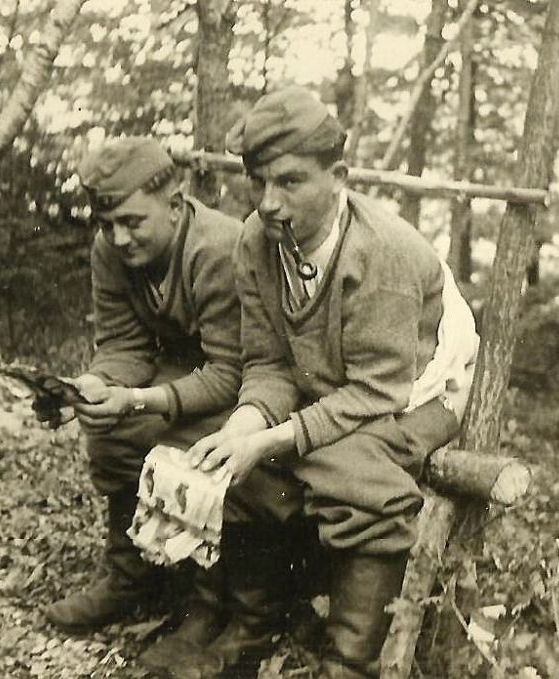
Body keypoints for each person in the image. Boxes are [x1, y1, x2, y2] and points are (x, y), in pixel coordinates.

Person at [180, 85, 479, 678]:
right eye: (258, 182)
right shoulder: (256, 242)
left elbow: (377, 392)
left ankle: (350, 661)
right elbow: (268, 363)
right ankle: (252, 627)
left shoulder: (383, 253)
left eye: (290, 182)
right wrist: (243, 429)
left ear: (338, 177)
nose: (270, 202)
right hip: (334, 378)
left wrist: (272, 439)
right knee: (230, 457)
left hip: (418, 392)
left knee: (353, 472)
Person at [43, 137, 303, 673]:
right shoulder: (111, 251)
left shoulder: (219, 249)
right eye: (107, 224)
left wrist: (140, 400)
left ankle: (219, 608)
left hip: (250, 380)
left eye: (132, 222)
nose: (119, 237)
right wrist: (93, 386)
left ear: (175, 203)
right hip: (182, 370)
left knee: (205, 454)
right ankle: (132, 576)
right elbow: (123, 345)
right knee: (111, 432)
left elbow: (233, 370)